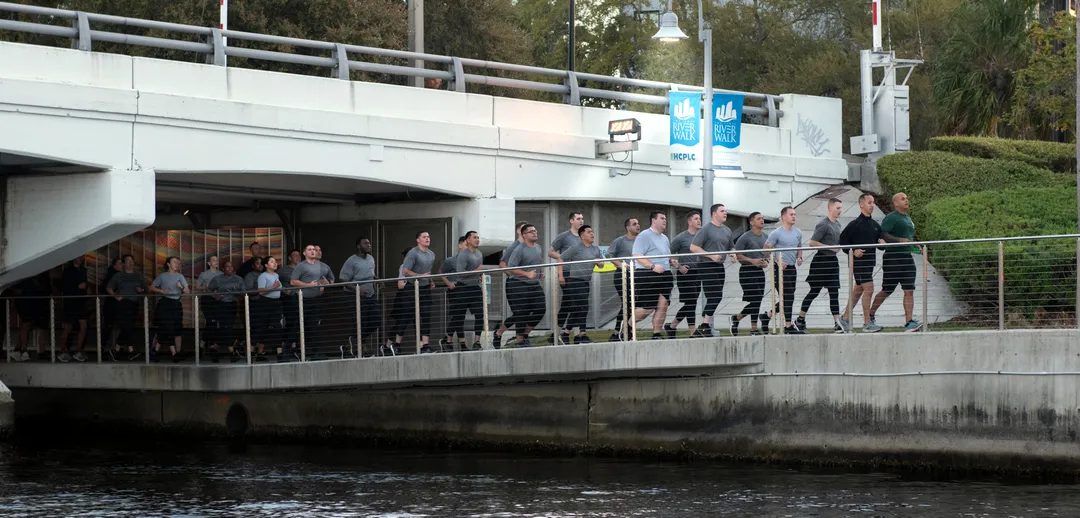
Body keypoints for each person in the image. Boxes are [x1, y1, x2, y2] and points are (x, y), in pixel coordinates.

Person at [870, 192, 923, 332]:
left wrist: (914, 244)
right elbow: (883, 234)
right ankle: (870, 314)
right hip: (893, 258)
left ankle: (909, 322)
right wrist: (899, 240)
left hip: (907, 258)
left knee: (909, 289)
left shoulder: (908, 218)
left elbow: (907, 237)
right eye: (903, 199)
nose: (906, 200)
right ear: (896, 203)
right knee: (887, 290)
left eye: (907, 198)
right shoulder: (891, 218)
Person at [839, 193, 887, 333]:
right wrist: (853, 251)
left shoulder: (875, 225)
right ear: (861, 204)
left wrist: (882, 243)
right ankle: (867, 323)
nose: (872, 205)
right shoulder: (855, 224)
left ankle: (845, 318)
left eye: (873, 203)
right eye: (869, 202)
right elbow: (843, 242)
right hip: (858, 264)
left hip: (870, 264)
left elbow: (880, 244)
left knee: (858, 291)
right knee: (869, 289)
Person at [797, 198, 845, 334]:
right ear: (830, 208)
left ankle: (837, 322)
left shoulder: (838, 224)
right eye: (837, 208)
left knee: (834, 292)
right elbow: (812, 242)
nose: (840, 210)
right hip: (821, 261)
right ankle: (801, 318)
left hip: (832, 262)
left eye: (841, 208)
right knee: (814, 291)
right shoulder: (823, 224)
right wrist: (830, 247)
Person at [689, 204, 734, 337]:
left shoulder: (727, 230)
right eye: (722, 211)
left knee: (715, 297)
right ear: (714, 214)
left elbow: (731, 246)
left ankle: (704, 327)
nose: (725, 213)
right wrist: (711, 255)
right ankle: (704, 325)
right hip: (706, 265)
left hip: (719, 266)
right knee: (715, 296)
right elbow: (693, 247)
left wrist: (733, 254)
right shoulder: (705, 229)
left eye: (726, 211)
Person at [389, 232, 436, 354]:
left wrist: (430, 280)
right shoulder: (413, 253)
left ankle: (425, 345)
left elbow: (428, 271)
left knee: (426, 316)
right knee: (405, 316)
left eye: (428, 237)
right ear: (418, 240)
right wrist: (420, 276)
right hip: (411, 287)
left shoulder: (431, 254)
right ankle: (397, 344)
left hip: (425, 289)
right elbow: (405, 271)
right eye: (424, 237)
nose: (427, 239)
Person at [500, 224, 546, 348]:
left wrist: (539, 274)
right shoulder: (518, 249)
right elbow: (511, 267)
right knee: (521, 313)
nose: (534, 233)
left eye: (535, 230)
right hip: (518, 284)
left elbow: (536, 263)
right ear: (524, 235)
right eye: (531, 231)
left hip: (534, 284)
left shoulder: (538, 248)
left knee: (541, 309)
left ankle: (524, 335)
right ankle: (520, 341)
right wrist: (526, 274)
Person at [558, 225, 604, 344]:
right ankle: (575, 334)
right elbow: (561, 259)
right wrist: (561, 276)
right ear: (582, 236)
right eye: (589, 232)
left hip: (586, 281)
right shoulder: (576, 247)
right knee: (582, 306)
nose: (592, 234)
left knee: (580, 307)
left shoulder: (595, 248)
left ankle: (573, 334)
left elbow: (602, 264)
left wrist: (599, 263)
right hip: (574, 280)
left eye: (593, 232)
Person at [631, 211, 673, 340]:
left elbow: (666, 256)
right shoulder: (644, 235)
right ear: (653, 220)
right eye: (662, 218)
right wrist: (652, 266)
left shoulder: (665, 238)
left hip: (665, 274)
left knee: (663, 304)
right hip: (648, 274)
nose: (665, 220)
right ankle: (627, 326)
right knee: (647, 309)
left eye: (665, 218)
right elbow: (637, 256)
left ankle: (657, 333)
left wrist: (673, 262)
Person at [441, 231, 485, 351]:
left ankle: (477, 342)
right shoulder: (462, 256)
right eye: (474, 237)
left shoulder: (479, 253)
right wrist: (477, 270)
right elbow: (461, 274)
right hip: (462, 288)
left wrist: (479, 274)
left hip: (475, 288)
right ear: (467, 240)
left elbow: (478, 270)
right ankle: (461, 344)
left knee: (480, 314)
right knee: (459, 316)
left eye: (478, 237)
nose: (477, 240)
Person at [764, 207, 805, 334]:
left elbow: (799, 246)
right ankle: (788, 326)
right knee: (789, 296)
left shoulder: (798, 232)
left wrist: (799, 256)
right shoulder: (776, 233)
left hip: (792, 268)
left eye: (795, 214)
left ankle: (767, 316)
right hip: (780, 269)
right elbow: (766, 249)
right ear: (783, 217)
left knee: (787, 297)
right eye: (791, 214)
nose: (794, 216)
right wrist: (778, 261)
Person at [339, 237, 380, 357]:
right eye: (365, 243)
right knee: (361, 321)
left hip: (371, 294)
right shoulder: (352, 261)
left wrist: (377, 279)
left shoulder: (371, 258)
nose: (369, 245)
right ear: (358, 246)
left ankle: (351, 344)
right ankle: (359, 348)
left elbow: (370, 273)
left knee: (375, 320)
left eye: (369, 243)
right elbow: (343, 279)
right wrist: (358, 290)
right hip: (355, 295)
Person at [290, 244, 332, 360]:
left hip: (315, 300)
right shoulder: (301, 266)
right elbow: (293, 282)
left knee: (314, 327)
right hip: (301, 300)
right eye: (310, 250)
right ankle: (288, 352)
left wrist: (325, 283)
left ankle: (316, 353)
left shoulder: (320, 266)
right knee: (297, 326)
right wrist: (308, 285)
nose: (313, 251)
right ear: (304, 253)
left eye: (314, 249)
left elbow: (327, 281)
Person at [731, 212, 769, 336]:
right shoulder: (745, 237)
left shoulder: (765, 237)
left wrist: (765, 262)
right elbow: (738, 255)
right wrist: (752, 261)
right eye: (758, 219)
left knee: (757, 299)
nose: (762, 220)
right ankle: (753, 329)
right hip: (747, 271)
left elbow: (767, 254)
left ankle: (737, 318)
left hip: (759, 272)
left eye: (763, 218)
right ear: (752, 222)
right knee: (756, 298)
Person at [549, 212, 585, 344]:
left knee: (576, 304)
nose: (581, 221)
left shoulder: (583, 237)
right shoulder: (564, 236)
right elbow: (550, 251)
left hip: (580, 275)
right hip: (567, 274)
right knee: (571, 303)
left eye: (582, 218)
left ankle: (572, 334)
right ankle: (562, 334)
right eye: (578, 218)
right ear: (571, 221)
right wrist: (562, 257)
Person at [667, 211, 702, 339]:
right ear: (689, 222)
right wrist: (678, 266)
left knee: (691, 303)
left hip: (699, 273)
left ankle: (672, 326)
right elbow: (668, 253)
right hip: (685, 273)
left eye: (700, 219)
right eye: (696, 219)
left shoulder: (701, 236)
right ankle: (692, 332)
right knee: (691, 302)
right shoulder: (681, 237)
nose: (699, 221)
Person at [105, 254, 146, 362]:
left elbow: (145, 287)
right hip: (123, 303)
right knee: (127, 326)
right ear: (123, 264)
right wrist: (115, 296)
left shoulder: (138, 275)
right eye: (128, 261)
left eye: (132, 260)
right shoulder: (119, 275)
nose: (130, 263)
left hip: (135, 303)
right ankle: (131, 350)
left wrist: (141, 290)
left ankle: (116, 350)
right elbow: (109, 287)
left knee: (128, 327)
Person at [148, 256, 190, 362]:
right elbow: (151, 287)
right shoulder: (162, 276)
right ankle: (173, 353)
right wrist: (161, 291)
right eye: (174, 262)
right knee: (167, 326)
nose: (177, 264)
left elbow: (187, 291)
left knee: (175, 328)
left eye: (178, 262)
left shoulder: (180, 276)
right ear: (168, 264)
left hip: (176, 304)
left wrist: (181, 287)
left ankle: (159, 351)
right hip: (165, 303)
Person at [494, 221, 529, 341]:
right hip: (514, 283)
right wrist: (511, 273)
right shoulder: (514, 246)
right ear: (518, 231)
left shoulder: (529, 246)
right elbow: (502, 264)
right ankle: (500, 333)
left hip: (527, 282)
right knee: (519, 312)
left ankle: (521, 335)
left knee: (526, 311)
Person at [606, 217, 639, 342]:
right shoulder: (620, 241)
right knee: (627, 303)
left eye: (638, 223)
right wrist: (620, 264)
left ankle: (626, 331)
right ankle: (617, 333)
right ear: (628, 227)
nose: (638, 226)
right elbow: (609, 254)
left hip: (637, 276)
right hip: (622, 275)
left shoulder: (641, 240)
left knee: (634, 304)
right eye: (634, 224)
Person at [207, 260, 245, 362]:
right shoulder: (217, 279)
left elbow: (243, 291)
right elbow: (209, 289)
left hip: (232, 304)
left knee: (228, 327)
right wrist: (215, 296)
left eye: (231, 267)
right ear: (223, 269)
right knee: (226, 326)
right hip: (221, 305)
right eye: (227, 267)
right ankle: (232, 351)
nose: (230, 268)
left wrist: (239, 294)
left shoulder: (238, 279)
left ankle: (214, 347)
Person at [11, 272, 50, 362]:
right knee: (27, 323)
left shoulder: (43, 273)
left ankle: (20, 349)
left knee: (39, 326)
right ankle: (23, 349)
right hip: (26, 299)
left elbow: (47, 287)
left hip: (39, 300)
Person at [57, 256, 89, 362]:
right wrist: (77, 287)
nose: (80, 258)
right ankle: (62, 350)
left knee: (83, 326)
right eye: (78, 257)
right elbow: (62, 287)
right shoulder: (68, 271)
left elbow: (85, 285)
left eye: (81, 257)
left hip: (81, 301)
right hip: (70, 302)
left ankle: (79, 350)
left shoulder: (84, 270)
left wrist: (85, 288)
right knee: (68, 327)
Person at [254, 256, 284, 362]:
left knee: (277, 327)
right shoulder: (263, 276)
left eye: (275, 261)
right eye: (272, 262)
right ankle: (258, 352)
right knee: (262, 327)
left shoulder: (276, 275)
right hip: (265, 303)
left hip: (276, 303)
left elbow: (280, 288)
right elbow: (261, 291)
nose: (275, 263)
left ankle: (279, 352)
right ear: (266, 265)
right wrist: (273, 287)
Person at [195, 254, 222, 354]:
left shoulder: (221, 274)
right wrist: (205, 287)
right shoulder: (204, 274)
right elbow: (197, 286)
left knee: (214, 323)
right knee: (211, 322)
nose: (216, 262)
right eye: (214, 260)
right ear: (209, 263)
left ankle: (203, 343)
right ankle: (212, 347)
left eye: (217, 260)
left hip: (218, 300)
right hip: (207, 299)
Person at [278, 249, 302, 360]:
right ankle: (287, 347)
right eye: (295, 255)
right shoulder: (283, 271)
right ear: (289, 258)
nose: (297, 257)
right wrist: (284, 290)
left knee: (298, 322)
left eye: (298, 255)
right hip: (289, 299)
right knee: (292, 322)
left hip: (302, 298)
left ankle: (290, 347)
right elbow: (275, 281)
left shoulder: (303, 268)